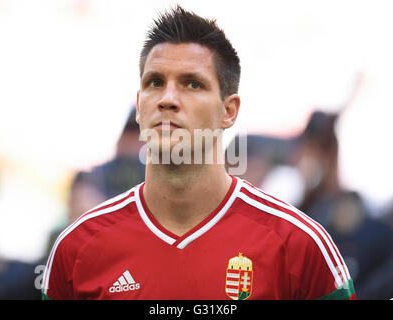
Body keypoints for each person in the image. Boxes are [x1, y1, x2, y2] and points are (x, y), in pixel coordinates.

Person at [42, 6, 355, 300]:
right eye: (155, 82)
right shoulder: (77, 248)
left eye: (192, 84)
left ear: (228, 111)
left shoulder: (299, 245)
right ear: (139, 107)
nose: (167, 99)